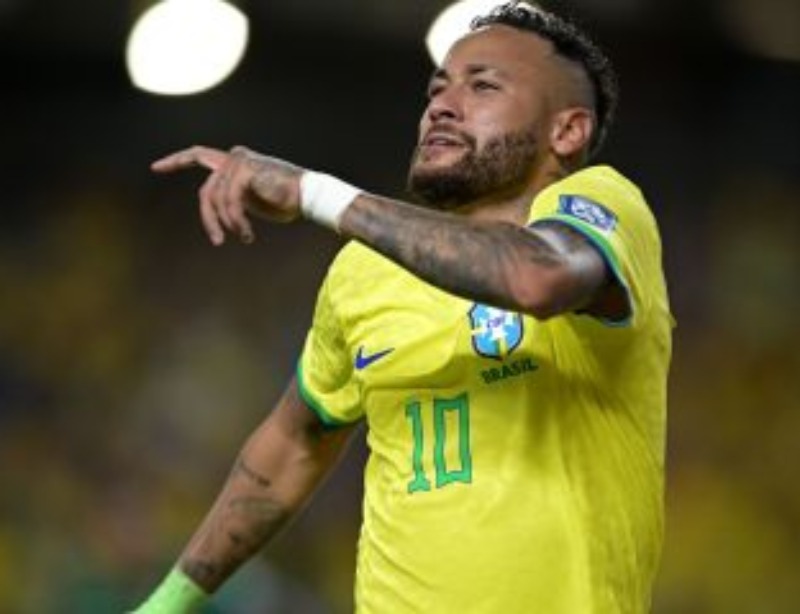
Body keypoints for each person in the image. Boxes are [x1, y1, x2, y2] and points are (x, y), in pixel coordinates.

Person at [134, 1, 673, 612]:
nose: (442, 105)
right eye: (436, 90)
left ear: (567, 132)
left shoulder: (603, 205)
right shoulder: (364, 271)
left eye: (483, 86)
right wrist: (165, 605)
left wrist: (312, 192)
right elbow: (295, 443)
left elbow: (536, 277)